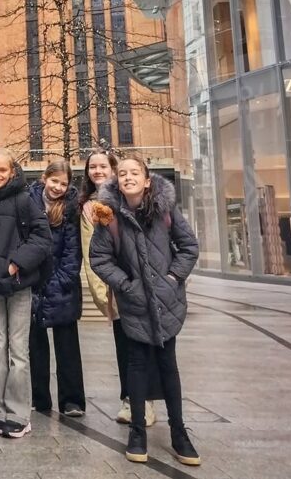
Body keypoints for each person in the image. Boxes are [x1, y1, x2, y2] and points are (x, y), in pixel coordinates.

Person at [89, 155, 201, 466]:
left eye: (134, 172)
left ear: (147, 179)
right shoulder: (109, 216)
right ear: (117, 181)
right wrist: (126, 286)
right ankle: (137, 431)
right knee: (136, 365)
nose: (128, 177)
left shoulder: (165, 210)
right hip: (134, 302)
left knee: (169, 366)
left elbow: (189, 246)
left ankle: (179, 432)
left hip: (167, 301)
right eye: (122, 173)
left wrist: (172, 278)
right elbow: (99, 259)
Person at [0, 149, 52, 439]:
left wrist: (18, 261)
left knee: (18, 351)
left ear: (12, 172)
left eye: (1, 170)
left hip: (18, 285)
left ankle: (18, 414)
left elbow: (43, 238)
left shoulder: (24, 200)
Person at [80, 150, 160, 426]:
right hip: (118, 287)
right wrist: (103, 294)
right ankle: (130, 399)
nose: (98, 171)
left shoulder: (132, 199)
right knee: (124, 345)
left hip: (145, 285)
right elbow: (93, 254)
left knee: (146, 344)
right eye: (93, 167)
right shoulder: (89, 206)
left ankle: (146, 401)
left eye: (103, 166)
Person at [28, 160, 86, 417]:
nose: (58, 187)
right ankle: (40, 398)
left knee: (68, 347)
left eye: (64, 183)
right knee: (35, 347)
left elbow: (74, 253)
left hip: (63, 287)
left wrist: (60, 280)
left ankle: (72, 401)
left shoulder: (71, 209)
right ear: (44, 178)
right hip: (34, 285)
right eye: (54, 181)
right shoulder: (28, 202)